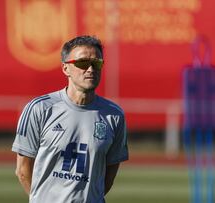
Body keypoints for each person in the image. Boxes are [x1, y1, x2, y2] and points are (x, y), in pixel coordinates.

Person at [12, 35, 128, 203]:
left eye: (96, 63)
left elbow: (107, 177)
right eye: (82, 63)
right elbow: (23, 170)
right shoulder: (40, 108)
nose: (90, 69)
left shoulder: (114, 115)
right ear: (65, 68)